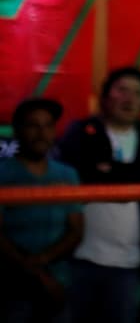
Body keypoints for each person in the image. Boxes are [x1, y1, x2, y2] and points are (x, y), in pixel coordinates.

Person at [57, 66, 140, 323]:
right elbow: (79, 173)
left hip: (130, 264)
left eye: (137, 93)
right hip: (80, 258)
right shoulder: (82, 131)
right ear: (106, 96)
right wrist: (129, 175)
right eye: (122, 90)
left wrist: (108, 170)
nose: (129, 98)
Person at [0, 97, 83, 323]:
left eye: (48, 126)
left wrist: (43, 264)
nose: (42, 133)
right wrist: (38, 275)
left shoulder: (67, 174)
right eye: (33, 125)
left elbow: (76, 230)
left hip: (59, 284)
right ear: (18, 131)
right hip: (13, 286)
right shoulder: (3, 174)